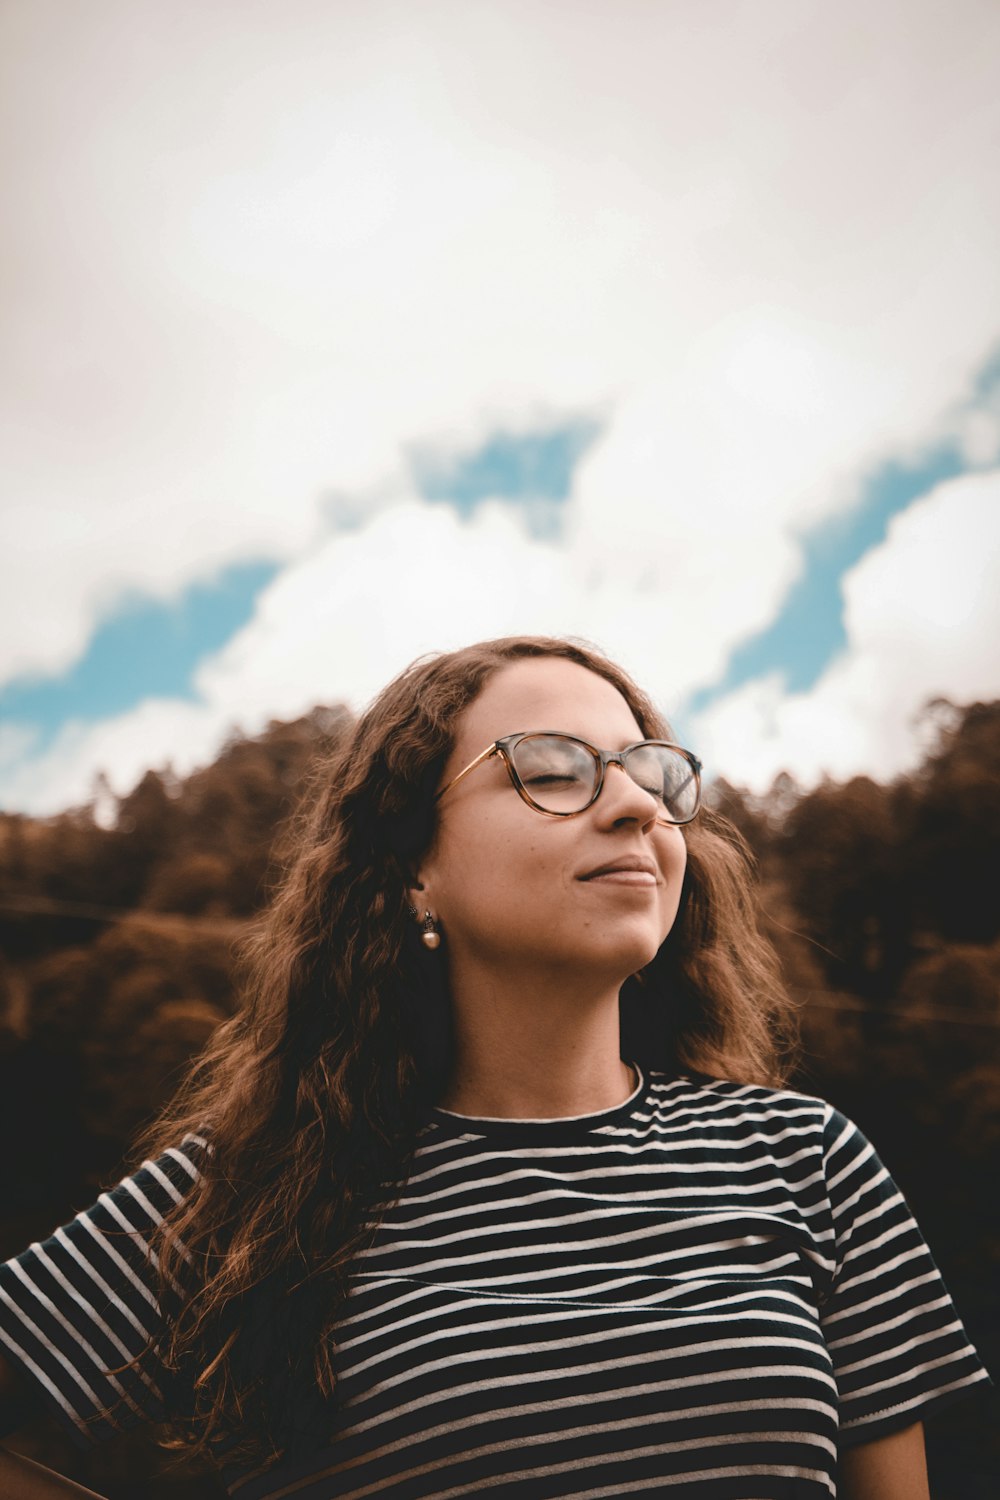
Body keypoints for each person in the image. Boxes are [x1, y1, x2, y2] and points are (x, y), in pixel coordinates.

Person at [0, 635, 989, 1499]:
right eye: (554, 769)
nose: (637, 806)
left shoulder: (804, 1157)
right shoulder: (256, 1187)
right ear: (410, 867)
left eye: (655, 774)